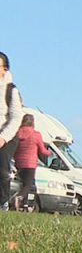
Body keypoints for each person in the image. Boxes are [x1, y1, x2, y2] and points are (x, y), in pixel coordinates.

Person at [0, 51, 25, 211]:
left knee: (1, 167)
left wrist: (3, 137)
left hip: (7, 135)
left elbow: (16, 117)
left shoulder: (11, 90)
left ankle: (2, 203)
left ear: (5, 69)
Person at [12, 113, 48, 211]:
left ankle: (24, 205)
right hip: (30, 164)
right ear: (33, 122)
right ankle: (20, 198)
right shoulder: (36, 135)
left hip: (18, 163)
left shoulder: (17, 133)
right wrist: (49, 153)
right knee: (28, 185)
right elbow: (42, 150)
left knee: (23, 184)